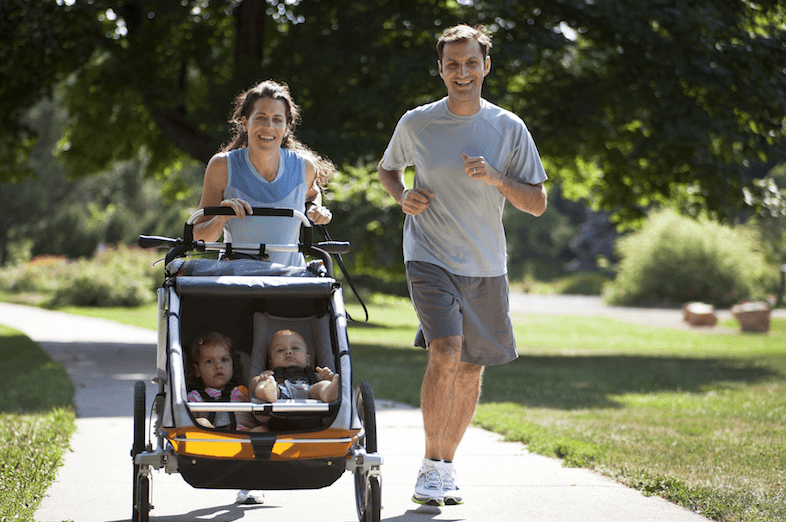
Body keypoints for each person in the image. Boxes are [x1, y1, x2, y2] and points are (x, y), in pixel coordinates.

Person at [376, 24, 548, 507]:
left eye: (471, 63)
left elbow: (537, 202)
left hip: (486, 262)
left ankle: (444, 466)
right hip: (427, 253)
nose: (462, 72)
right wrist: (402, 195)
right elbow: (389, 169)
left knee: (471, 367)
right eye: (452, 64)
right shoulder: (418, 123)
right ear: (440, 70)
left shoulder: (508, 128)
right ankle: (430, 466)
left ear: (485, 65)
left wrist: (497, 178)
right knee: (446, 350)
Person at [193, 80, 336, 267]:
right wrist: (221, 216)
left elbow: (312, 194)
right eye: (260, 117)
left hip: (291, 283)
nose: (268, 126)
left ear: (287, 127)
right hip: (237, 282)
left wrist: (315, 209)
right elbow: (199, 238)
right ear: (245, 122)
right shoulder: (222, 166)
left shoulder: (304, 167)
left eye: (277, 119)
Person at [185, 332, 266, 504]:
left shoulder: (242, 392)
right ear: (197, 370)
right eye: (209, 361)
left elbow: (257, 416)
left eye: (224, 360)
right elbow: (185, 423)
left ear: (233, 365)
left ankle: (252, 484)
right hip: (213, 446)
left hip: (242, 444)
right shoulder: (195, 397)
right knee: (199, 422)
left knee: (262, 430)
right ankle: (220, 462)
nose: (218, 366)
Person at [250, 329, 339, 403]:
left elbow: (323, 379)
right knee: (261, 386)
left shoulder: (311, 373)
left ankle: (328, 392)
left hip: (309, 391)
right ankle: (269, 393)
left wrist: (328, 378)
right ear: (272, 364)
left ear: (308, 360)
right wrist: (260, 380)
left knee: (322, 385)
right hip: (281, 391)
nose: (288, 352)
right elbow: (253, 384)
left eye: (295, 348)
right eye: (280, 350)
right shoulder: (271, 374)